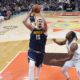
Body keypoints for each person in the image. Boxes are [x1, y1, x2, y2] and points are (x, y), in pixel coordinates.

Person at [23, 9, 47, 80]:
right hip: (32, 51)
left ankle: (36, 77)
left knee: (38, 67)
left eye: (41, 21)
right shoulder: (33, 29)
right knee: (31, 65)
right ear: (36, 23)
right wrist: (29, 13)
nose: (40, 22)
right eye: (38, 21)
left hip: (40, 53)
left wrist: (41, 13)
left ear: (43, 23)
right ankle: (31, 79)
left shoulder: (44, 31)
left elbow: (45, 22)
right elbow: (24, 22)